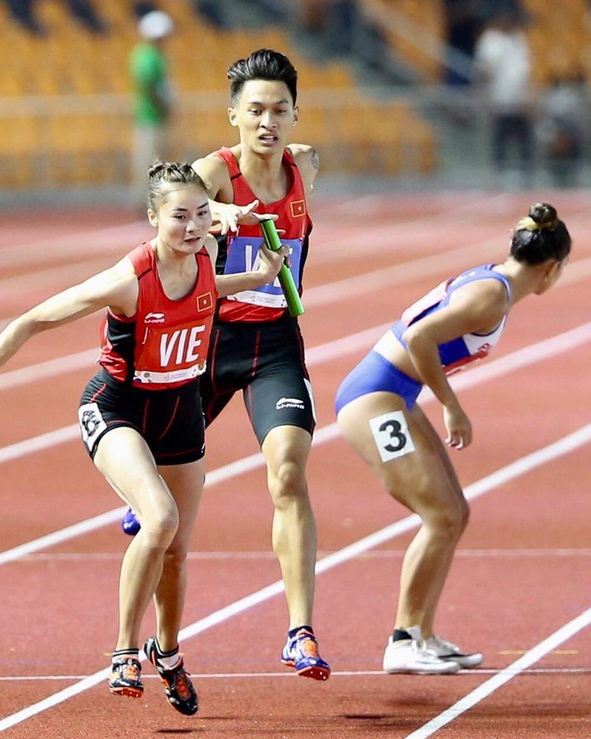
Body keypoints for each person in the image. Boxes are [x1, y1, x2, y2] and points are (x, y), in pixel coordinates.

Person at [0, 162, 286, 714]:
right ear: (153, 218)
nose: (192, 226)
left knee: (178, 551)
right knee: (161, 518)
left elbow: (207, 288)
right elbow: (30, 320)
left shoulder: (204, 256)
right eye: (179, 216)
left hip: (181, 407)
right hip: (118, 407)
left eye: (201, 214)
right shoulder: (128, 280)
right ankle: (123, 651)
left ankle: (169, 653)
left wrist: (255, 279)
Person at [123, 48, 331, 681]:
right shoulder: (215, 169)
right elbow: (169, 204)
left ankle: (300, 632)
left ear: (295, 116)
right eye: (255, 111)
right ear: (234, 115)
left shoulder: (306, 167)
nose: (268, 123)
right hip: (209, 344)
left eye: (280, 111)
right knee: (167, 513)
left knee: (289, 474)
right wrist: (221, 214)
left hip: (276, 346)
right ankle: (160, 638)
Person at [335, 202, 571, 675]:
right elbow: (420, 337)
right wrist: (451, 405)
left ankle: (421, 633)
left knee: (454, 513)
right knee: (440, 515)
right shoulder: (492, 297)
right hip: (375, 398)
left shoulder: (493, 281)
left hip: (395, 396)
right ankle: (403, 640)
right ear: (551, 269)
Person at [472, 7, 534, 184]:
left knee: (523, 137)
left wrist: (529, 94)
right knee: (501, 137)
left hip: (520, 99)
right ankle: (497, 174)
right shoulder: (490, 40)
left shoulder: (518, 38)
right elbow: (485, 70)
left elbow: (525, 69)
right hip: (500, 99)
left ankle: (525, 173)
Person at [129, 10, 175, 200]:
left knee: (157, 160)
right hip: (150, 116)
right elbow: (149, 85)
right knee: (149, 160)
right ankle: (146, 200)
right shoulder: (148, 56)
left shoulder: (153, 55)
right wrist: (163, 106)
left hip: (155, 116)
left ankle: (153, 198)